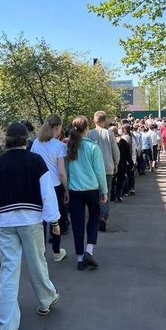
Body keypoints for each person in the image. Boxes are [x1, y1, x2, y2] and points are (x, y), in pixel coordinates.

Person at [0, 122, 59, 330]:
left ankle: (7, 328)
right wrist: (53, 220)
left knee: (8, 271)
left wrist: (1, 216)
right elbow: (47, 194)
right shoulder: (36, 161)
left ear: (6, 139)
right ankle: (46, 300)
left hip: (5, 223)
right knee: (37, 262)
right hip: (31, 221)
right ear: (26, 139)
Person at [65, 116, 107, 270]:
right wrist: (104, 190)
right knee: (94, 216)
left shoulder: (69, 146)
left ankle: (80, 258)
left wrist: (66, 189)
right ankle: (89, 249)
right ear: (86, 129)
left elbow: (67, 171)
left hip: (75, 190)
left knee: (77, 223)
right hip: (91, 189)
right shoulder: (93, 147)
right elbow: (100, 172)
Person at [31, 115, 68, 260]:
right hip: (55, 185)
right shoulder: (59, 146)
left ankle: (40, 252)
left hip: (38, 185)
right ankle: (57, 251)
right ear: (57, 127)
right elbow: (61, 172)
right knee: (55, 218)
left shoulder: (35, 144)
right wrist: (67, 189)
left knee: (40, 220)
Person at [87, 111, 119, 231]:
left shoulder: (89, 134)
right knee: (105, 192)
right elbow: (115, 151)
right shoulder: (109, 134)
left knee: (94, 193)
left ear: (94, 121)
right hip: (107, 167)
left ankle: (94, 215)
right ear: (104, 121)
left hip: (93, 169)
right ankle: (103, 215)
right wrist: (116, 163)